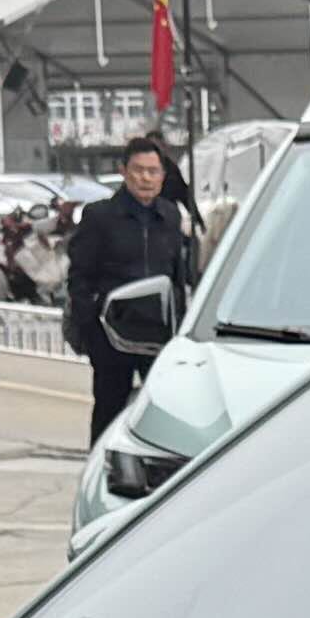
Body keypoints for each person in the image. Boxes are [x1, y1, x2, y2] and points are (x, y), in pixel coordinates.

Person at [64, 134, 200, 437]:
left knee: (162, 413)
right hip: (112, 336)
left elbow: (177, 277)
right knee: (109, 413)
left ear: (163, 176)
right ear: (123, 172)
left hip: (158, 335)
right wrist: (92, 331)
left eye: (153, 171)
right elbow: (79, 278)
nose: (146, 178)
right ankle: (103, 463)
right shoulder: (99, 216)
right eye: (138, 170)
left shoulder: (170, 215)